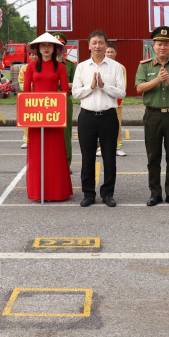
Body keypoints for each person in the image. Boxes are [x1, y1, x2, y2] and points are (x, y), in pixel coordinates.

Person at [135, 26, 169, 207]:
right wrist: (157, 80)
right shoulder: (145, 66)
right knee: (153, 157)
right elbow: (139, 88)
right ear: (153, 45)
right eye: (159, 44)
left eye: (166, 44)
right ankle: (155, 193)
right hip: (153, 116)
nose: (163, 47)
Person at [71, 30, 126, 207]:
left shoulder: (115, 67)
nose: (97, 46)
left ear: (106, 45)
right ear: (88, 45)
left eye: (101, 42)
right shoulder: (82, 67)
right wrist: (91, 86)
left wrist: (103, 86)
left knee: (109, 157)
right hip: (87, 117)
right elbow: (76, 93)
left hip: (108, 116)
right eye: (94, 42)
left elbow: (121, 92)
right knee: (87, 157)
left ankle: (108, 193)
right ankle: (88, 193)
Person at [21, 33, 72, 202]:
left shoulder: (61, 67)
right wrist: (34, 107)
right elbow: (27, 90)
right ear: (37, 48)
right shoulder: (31, 67)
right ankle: (39, 191)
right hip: (36, 115)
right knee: (38, 154)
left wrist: (53, 106)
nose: (46, 48)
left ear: (55, 48)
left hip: (54, 115)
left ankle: (57, 192)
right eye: (43, 45)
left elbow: (64, 91)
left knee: (55, 154)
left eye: (50, 45)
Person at [52, 33, 77, 166]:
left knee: (66, 133)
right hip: (47, 101)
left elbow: (78, 83)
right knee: (49, 133)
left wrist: (61, 84)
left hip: (64, 100)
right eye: (54, 45)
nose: (57, 48)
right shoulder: (44, 64)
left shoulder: (70, 65)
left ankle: (66, 163)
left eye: (60, 45)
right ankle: (51, 162)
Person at [101, 43, 127, 158]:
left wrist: (118, 100)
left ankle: (117, 147)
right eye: (107, 52)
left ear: (115, 53)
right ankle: (101, 147)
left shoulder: (120, 67)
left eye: (111, 52)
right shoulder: (100, 66)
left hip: (116, 101)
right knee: (102, 126)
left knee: (117, 125)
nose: (109, 54)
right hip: (102, 101)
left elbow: (123, 86)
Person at [19, 48, 38, 148]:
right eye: (31, 54)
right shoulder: (24, 68)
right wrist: (27, 88)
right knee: (28, 119)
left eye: (35, 54)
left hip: (41, 97)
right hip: (28, 97)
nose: (34, 56)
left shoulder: (43, 67)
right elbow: (21, 81)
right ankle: (27, 139)